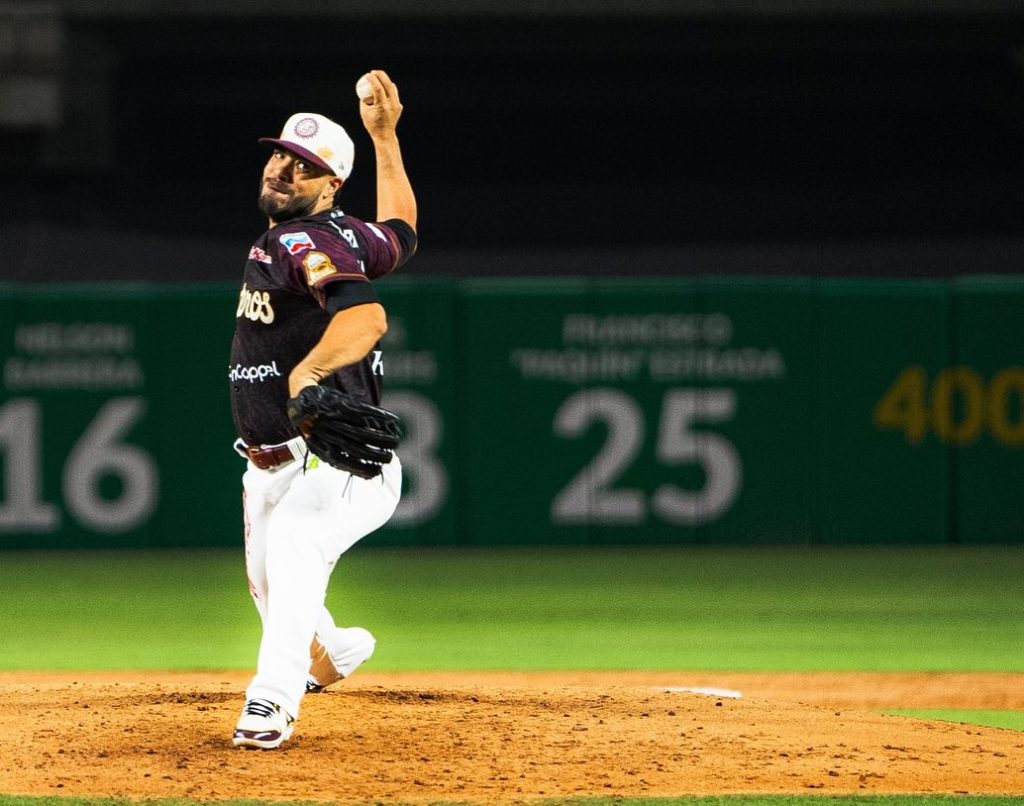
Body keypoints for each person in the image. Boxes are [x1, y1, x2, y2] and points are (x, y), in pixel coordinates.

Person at [228, 70, 417, 750]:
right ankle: (334, 652)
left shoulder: (301, 240)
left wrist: (308, 371)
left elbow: (365, 318)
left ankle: (271, 703)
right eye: (280, 154)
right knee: (272, 587)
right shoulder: (343, 232)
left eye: (302, 166)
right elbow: (401, 231)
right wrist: (385, 139)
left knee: (296, 545)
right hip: (272, 461)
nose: (282, 169)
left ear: (330, 184)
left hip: (331, 457)